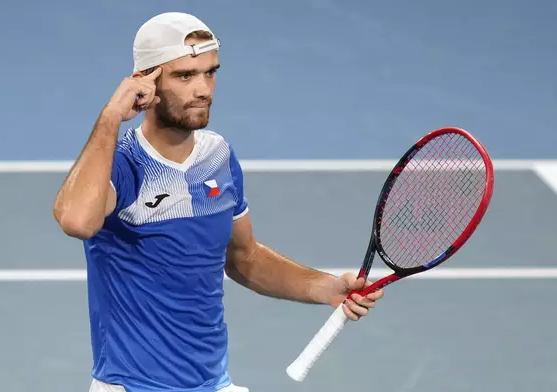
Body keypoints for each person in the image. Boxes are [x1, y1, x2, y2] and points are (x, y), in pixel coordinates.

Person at [53, 11, 384, 392]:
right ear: (144, 80)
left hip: (212, 384)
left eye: (210, 72)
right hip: (133, 386)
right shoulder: (124, 163)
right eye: (184, 76)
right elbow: (77, 221)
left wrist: (325, 288)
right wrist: (111, 116)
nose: (203, 89)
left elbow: (244, 257)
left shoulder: (218, 156)